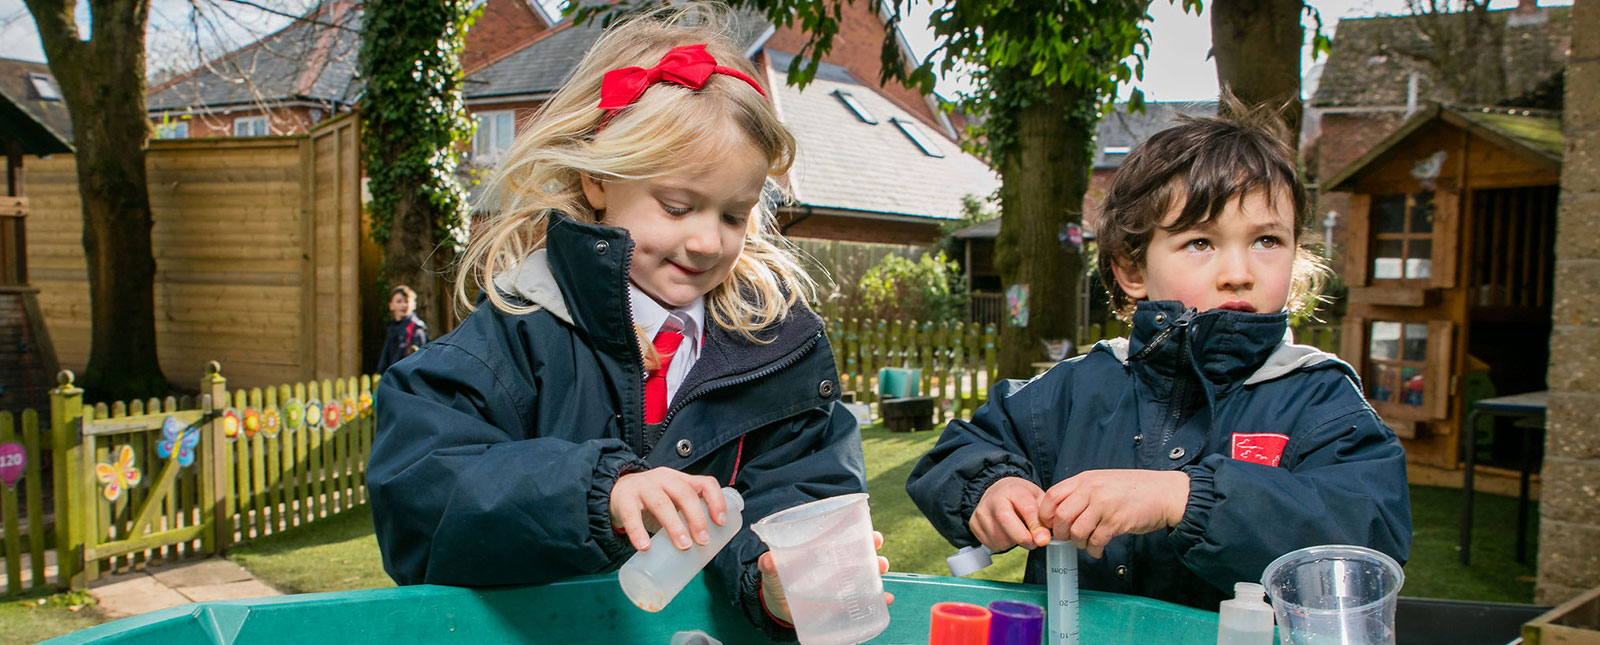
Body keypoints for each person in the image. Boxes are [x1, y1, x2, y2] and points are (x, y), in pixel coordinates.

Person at [367, 5, 881, 639]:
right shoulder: (518, 334)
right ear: (598, 181)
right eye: (677, 205)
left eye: (733, 215)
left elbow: (802, 488)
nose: (705, 241)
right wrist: (596, 492)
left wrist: (781, 584)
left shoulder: (779, 350)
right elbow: (421, 494)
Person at [905, 101, 1412, 610]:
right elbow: (958, 454)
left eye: (1266, 240)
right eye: (1200, 242)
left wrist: (1183, 498)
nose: (1239, 271)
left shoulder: (1318, 398)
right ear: (1132, 270)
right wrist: (991, 489)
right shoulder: (1080, 386)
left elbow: (1366, 540)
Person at [375, 285, 427, 373]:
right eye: (399, 302)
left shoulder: (416, 328)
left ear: (414, 305)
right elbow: (386, 354)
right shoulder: (392, 327)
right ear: (391, 306)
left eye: (407, 301)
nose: (404, 305)